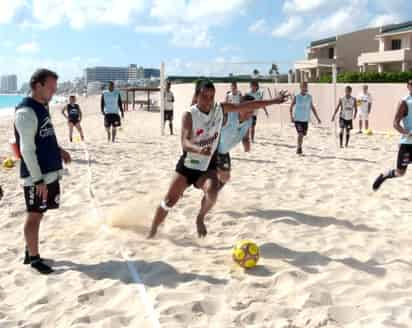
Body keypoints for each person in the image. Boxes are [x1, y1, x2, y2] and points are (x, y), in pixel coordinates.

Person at [148, 80, 288, 238]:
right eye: (204, 96)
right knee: (169, 200)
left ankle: (200, 217)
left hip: (208, 166)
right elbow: (185, 143)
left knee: (213, 192)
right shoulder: (189, 114)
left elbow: (247, 106)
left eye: (211, 96)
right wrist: (199, 149)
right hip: (188, 166)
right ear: (196, 96)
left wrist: (274, 101)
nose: (208, 100)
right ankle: (152, 230)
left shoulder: (220, 109)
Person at [14, 69, 71, 274]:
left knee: (39, 213)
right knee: (34, 215)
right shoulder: (25, 112)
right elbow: (26, 150)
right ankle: (34, 258)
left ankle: (31, 250)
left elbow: (44, 136)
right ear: (38, 86)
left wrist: (59, 150)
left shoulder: (42, 106)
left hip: (48, 172)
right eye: (51, 88)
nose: (54, 92)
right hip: (36, 176)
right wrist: (38, 180)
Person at [372, 80, 412, 191]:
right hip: (407, 144)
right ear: (408, 86)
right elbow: (395, 123)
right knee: (400, 173)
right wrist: (407, 133)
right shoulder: (405, 102)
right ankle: (384, 176)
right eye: (411, 84)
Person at [216, 94, 255, 185]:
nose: (249, 114)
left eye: (251, 111)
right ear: (239, 107)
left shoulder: (249, 120)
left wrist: (246, 144)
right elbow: (218, 108)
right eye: (246, 110)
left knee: (225, 178)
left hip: (224, 152)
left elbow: (245, 136)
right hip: (213, 150)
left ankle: (209, 196)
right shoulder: (228, 115)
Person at [289, 82, 322, 155]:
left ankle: (299, 145)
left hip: (305, 120)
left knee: (303, 134)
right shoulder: (297, 97)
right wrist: (291, 117)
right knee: (300, 133)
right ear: (300, 87)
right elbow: (291, 107)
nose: (305, 88)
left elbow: (312, 107)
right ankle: (299, 148)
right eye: (303, 86)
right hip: (297, 119)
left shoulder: (309, 97)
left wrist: (317, 118)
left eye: (306, 86)